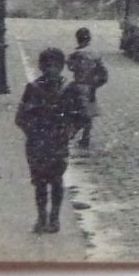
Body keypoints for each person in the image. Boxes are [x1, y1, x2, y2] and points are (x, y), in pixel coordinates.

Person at [16, 47, 86, 234]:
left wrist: (69, 131)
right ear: (41, 66)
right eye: (47, 66)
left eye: (55, 66)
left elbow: (81, 116)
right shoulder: (32, 88)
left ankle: (54, 218)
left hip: (56, 143)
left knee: (56, 180)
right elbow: (20, 117)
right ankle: (41, 217)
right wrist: (33, 132)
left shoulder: (69, 90)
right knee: (40, 182)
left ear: (62, 67)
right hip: (38, 144)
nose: (51, 70)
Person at [67, 28, 109, 151]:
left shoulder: (76, 54)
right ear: (89, 39)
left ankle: (71, 134)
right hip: (91, 87)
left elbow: (71, 67)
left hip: (78, 85)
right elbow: (104, 73)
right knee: (89, 114)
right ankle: (85, 137)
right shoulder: (96, 54)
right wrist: (96, 84)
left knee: (75, 113)